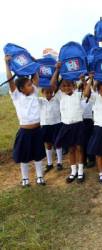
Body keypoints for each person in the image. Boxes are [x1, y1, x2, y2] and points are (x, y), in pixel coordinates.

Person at [5, 55, 46, 186]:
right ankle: (25, 179)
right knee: (24, 156)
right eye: (29, 85)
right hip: (25, 131)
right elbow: (10, 81)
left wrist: (33, 64)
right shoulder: (16, 96)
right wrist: (7, 64)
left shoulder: (34, 92)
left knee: (38, 154)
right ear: (21, 88)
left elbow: (35, 78)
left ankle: (40, 177)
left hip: (37, 130)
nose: (32, 86)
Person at [51, 62, 89, 184]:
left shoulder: (78, 95)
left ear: (73, 85)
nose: (66, 88)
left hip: (78, 125)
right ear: (61, 88)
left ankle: (81, 171)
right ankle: (73, 171)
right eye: (64, 86)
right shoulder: (60, 96)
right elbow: (52, 85)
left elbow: (88, 93)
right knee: (71, 149)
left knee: (79, 148)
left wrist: (84, 81)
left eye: (69, 85)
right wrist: (57, 70)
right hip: (66, 126)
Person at [39, 87, 63, 172]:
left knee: (58, 143)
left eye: (50, 92)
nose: (49, 94)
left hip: (56, 124)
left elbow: (58, 90)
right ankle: (49, 163)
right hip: (45, 125)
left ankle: (59, 162)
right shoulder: (40, 101)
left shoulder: (56, 99)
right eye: (47, 93)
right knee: (48, 144)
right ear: (42, 92)